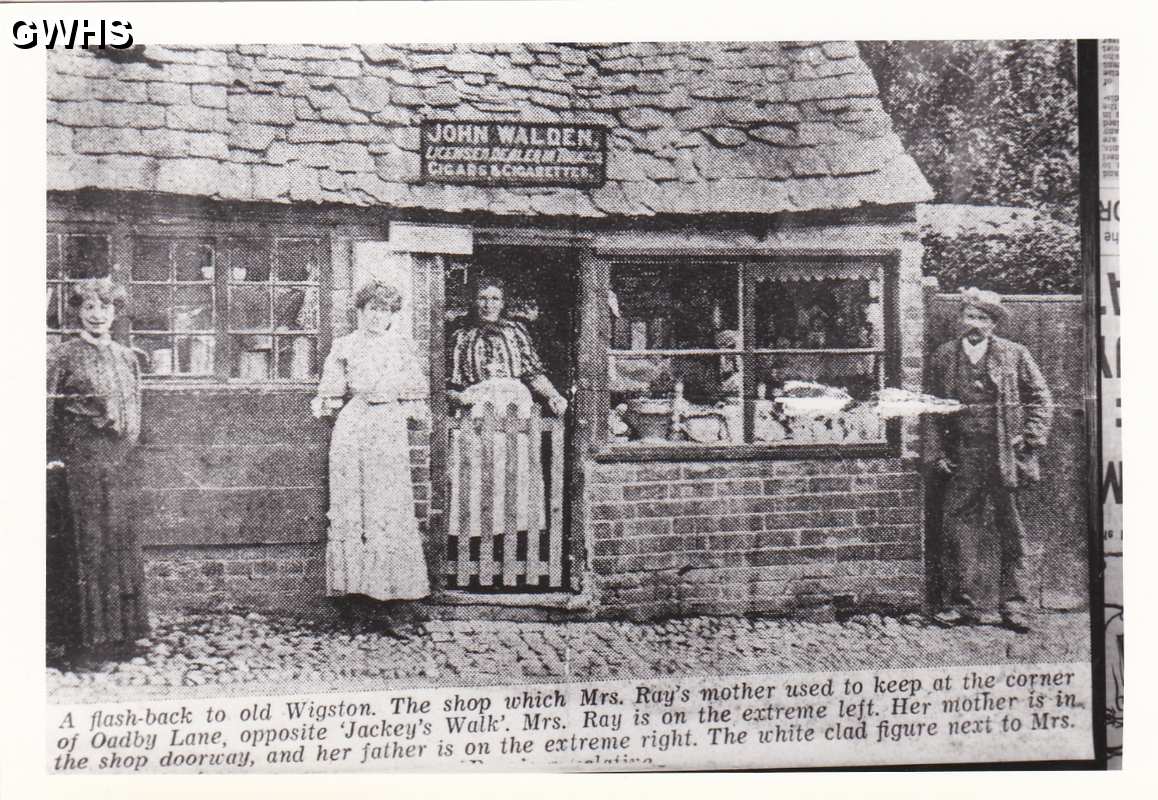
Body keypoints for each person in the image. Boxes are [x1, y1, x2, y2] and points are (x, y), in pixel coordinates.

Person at [924, 288, 1053, 633]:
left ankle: (1015, 608)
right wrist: (937, 452)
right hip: (963, 457)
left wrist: (1029, 437)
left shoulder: (1014, 354)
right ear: (961, 319)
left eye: (983, 318)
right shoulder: (944, 356)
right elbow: (930, 409)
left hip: (1004, 457)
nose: (975, 324)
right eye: (970, 316)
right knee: (958, 529)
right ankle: (959, 604)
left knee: (1011, 530)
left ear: (994, 324)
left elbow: (1041, 398)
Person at [313, 281, 431, 628]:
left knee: (387, 507)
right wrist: (338, 402)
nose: (378, 316)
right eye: (372, 309)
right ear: (360, 311)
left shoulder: (402, 347)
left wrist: (407, 406)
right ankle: (356, 602)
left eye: (386, 310)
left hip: (388, 426)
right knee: (354, 507)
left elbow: (414, 393)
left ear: (393, 314)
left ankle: (391, 601)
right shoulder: (345, 346)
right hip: (354, 425)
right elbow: (331, 393)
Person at [47, 277, 148, 664]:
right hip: (80, 463)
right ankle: (84, 644)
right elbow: (47, 412)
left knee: (118, 544)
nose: (96, 315)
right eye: (89, 307)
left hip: (118, 463)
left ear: (115, 312)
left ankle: (122, 637)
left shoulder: (127, 357)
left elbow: (135, 409)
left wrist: (128, 446)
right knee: (85, 547)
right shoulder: (63, 356)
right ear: (78, 311)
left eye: (104, 308)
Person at [447, 276, 568, 417]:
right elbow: (451, 385)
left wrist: (553, 396)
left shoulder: (516, 332)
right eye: (482, 298)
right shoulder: (461, 336)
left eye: (495, 299)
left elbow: (533, 374)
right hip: (476, 406)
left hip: (515, 402)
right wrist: (460, 398)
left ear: (502, 303)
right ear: (474, 302)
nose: (488, 305)